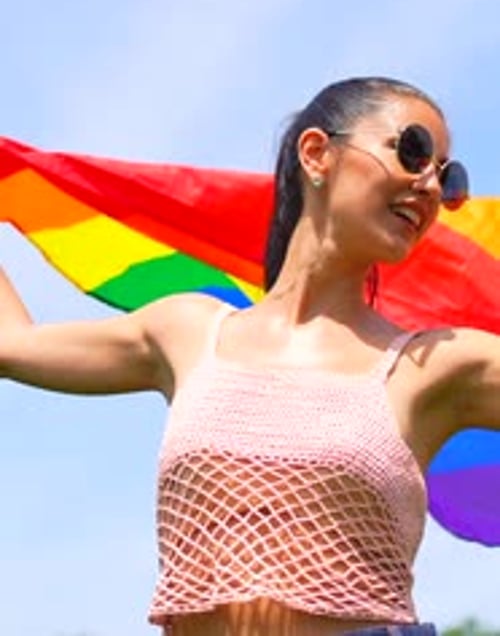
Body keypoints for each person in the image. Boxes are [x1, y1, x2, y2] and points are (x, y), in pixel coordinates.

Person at [0, 75, 497, 636]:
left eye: (448, 177)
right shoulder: (186, 332)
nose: (431, 185)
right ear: (317, 153)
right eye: (412, 151)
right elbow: (11, 345)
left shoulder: (436, 367)